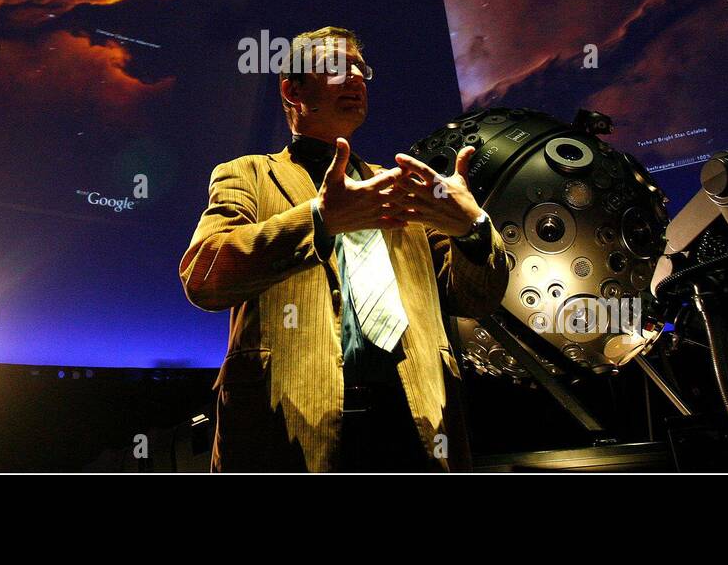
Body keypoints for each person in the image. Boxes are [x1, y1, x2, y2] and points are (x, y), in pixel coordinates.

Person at [179, 27, 512, 471]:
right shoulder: (248, 175)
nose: (356, 76)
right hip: (289, 423)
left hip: (415, 419)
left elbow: (476, 298)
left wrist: (472, 229)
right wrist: (318, 221)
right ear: (292, 89)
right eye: (337, 66)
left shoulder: (401, 185)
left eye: (361, 68)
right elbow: (205, 279)